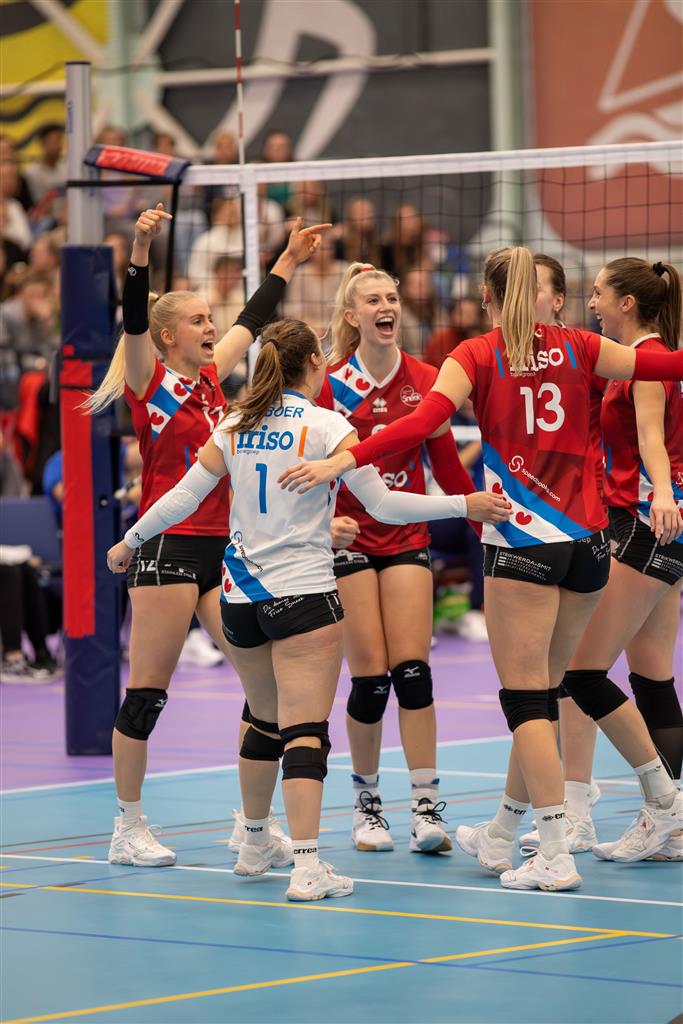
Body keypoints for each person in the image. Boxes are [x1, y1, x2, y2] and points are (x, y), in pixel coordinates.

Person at [278, 246, 683, 891]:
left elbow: (422, 423)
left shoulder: (475, 354)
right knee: (548, 690)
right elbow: (667, 363)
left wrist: (343, 460)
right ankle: (513, 829)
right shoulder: (583, 345)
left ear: (488, 297)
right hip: (588, 542)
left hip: (521, 540)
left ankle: (555, 852)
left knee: (527, 701)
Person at [107, 317, 510, 900]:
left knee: (263, 719)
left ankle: (253, 845)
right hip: (303, 597)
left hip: (241, 598)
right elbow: (385, 506)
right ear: (316, 364)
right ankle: (306, 866)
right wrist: (462, 504)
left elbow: (182, 497)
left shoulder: (234, 423)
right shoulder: (327, 425)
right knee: (304, 733)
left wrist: (130, 540)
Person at [85, 202, 329, 869]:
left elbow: (254, 316)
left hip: (225, 550)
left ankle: (253, 827)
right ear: (168, 336)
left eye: (208, 320)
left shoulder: (212, 381)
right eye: (197, 321)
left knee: (266, 691)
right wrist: (140, 250)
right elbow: (133, 319)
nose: (211, 327)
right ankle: (128, 826)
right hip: (168, 547)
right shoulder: (150, 380)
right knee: (147, 693)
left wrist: (288, 259)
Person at [316, 263, 481, 855]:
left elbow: (448, 469)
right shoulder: (330, 385)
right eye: (373, 300)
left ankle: (426, 808)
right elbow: (307, 469)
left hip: (407, 535)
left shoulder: (427, 379)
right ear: (352, 315)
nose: (387, 306)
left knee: (413, 675)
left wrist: (482, 522)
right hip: (351, 542)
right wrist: (321, 526)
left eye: (392, 297)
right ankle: (367, 807)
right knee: (370, 683)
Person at [547, 258, 682, 861]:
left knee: (580, 672)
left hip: (648, 523)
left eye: (600, 293)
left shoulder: (647, 362)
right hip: (662, 524)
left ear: (627, 302)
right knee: (652, 678)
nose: (592, 303)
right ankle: (673, 825)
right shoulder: (641, 358)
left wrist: (663, 494)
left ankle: (664, 803)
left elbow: (653, 439)